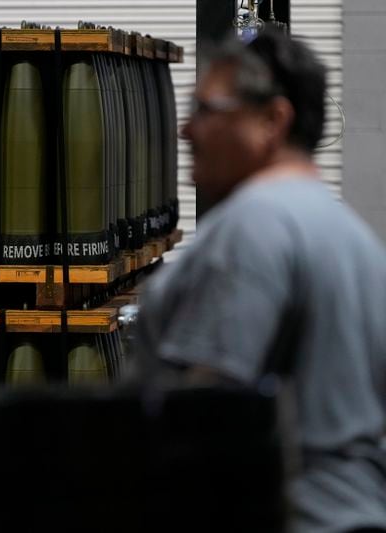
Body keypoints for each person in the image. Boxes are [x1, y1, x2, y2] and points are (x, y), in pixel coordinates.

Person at [136, 29, 386, 533]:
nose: (187, 130)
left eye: (208, 109)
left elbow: (208, 422)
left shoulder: (254, 225)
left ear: (272, 120)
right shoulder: (353, 237)